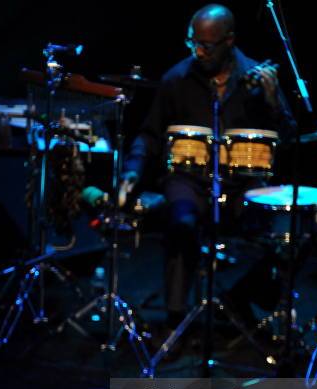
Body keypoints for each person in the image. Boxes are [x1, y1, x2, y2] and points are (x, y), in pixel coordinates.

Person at [121, 3, 295, 333]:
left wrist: (272, 102)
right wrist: (132, 172)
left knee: (290, 235)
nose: (198, 51)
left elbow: (287, 141)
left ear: (229, 40)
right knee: (181, 222)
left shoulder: (258, 78)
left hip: (244, 183)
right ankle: (175, 320)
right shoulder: (176, 78)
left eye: (206, 45)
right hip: (188, 178)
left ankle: (241, 296)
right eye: (193, 42)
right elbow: (150, 133)